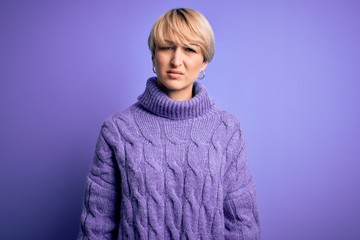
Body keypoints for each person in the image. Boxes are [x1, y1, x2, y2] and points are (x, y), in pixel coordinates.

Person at [78, 8, 260, 240]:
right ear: (153, 56)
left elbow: (242, 223)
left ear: (204, 61)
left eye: (190, 49)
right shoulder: (118, 130)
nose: (176, 60)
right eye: (166, 47)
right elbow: (97, 224)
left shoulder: (227, 130)